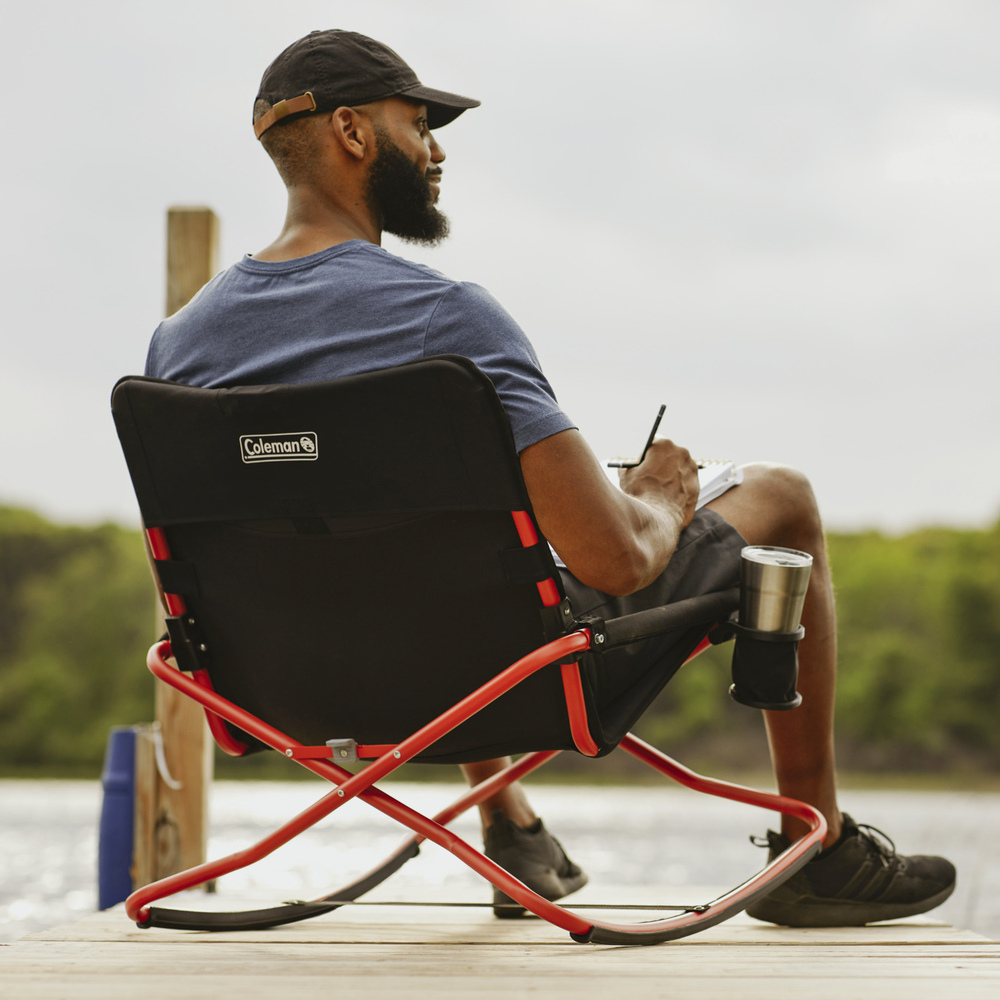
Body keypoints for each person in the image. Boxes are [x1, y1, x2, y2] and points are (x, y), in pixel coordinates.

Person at [145, 29, 956, 927]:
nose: (438, 148)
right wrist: (663, 493)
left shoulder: (179, 348)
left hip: (272, 694)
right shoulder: (449, 321)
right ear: (351, 131)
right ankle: (819, 848)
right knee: (783, 497)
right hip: (513, 683)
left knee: (429, 556)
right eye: (419, 124)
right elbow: (615, 561)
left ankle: (509, 825)